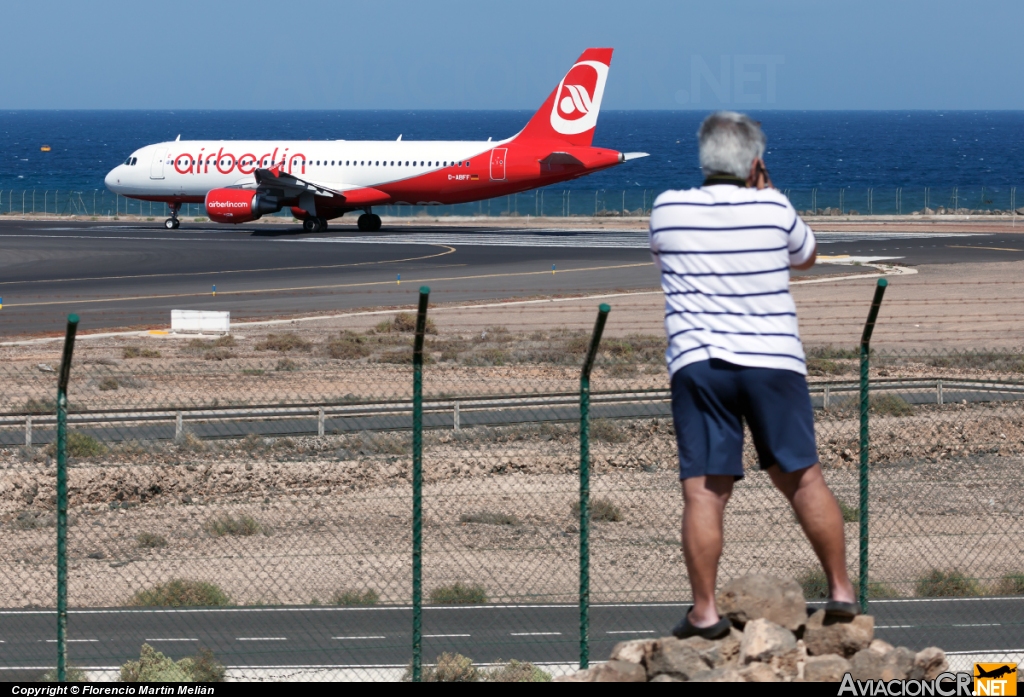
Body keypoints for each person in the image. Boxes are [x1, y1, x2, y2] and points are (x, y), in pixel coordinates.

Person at [648, 111, 858, 640]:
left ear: (703, 158)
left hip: (699, 360)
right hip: (773, 360)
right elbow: (806, 256)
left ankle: (704, 612)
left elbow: (663, 255)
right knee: (803, 477)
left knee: (703, 491)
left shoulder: (667, 208)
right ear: (755, 162)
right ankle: (840, 592)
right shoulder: (774, 207)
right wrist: (769, 193)